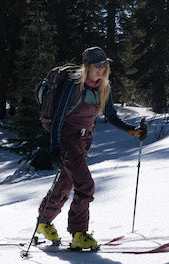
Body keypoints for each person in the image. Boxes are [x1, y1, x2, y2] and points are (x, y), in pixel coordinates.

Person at [35, 47, 146, 250]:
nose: (102, 69)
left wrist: (132, 130)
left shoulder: (104, 87)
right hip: (66, 137)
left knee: (66, 182)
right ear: (87, 67)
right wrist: (55, 147)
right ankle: (78, 233)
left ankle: (44, 221)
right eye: (98, 65)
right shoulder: (73, 86)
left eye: (105, 64)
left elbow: (111, 116)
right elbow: (59, 117)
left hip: (84, 139)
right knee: (85, 185)